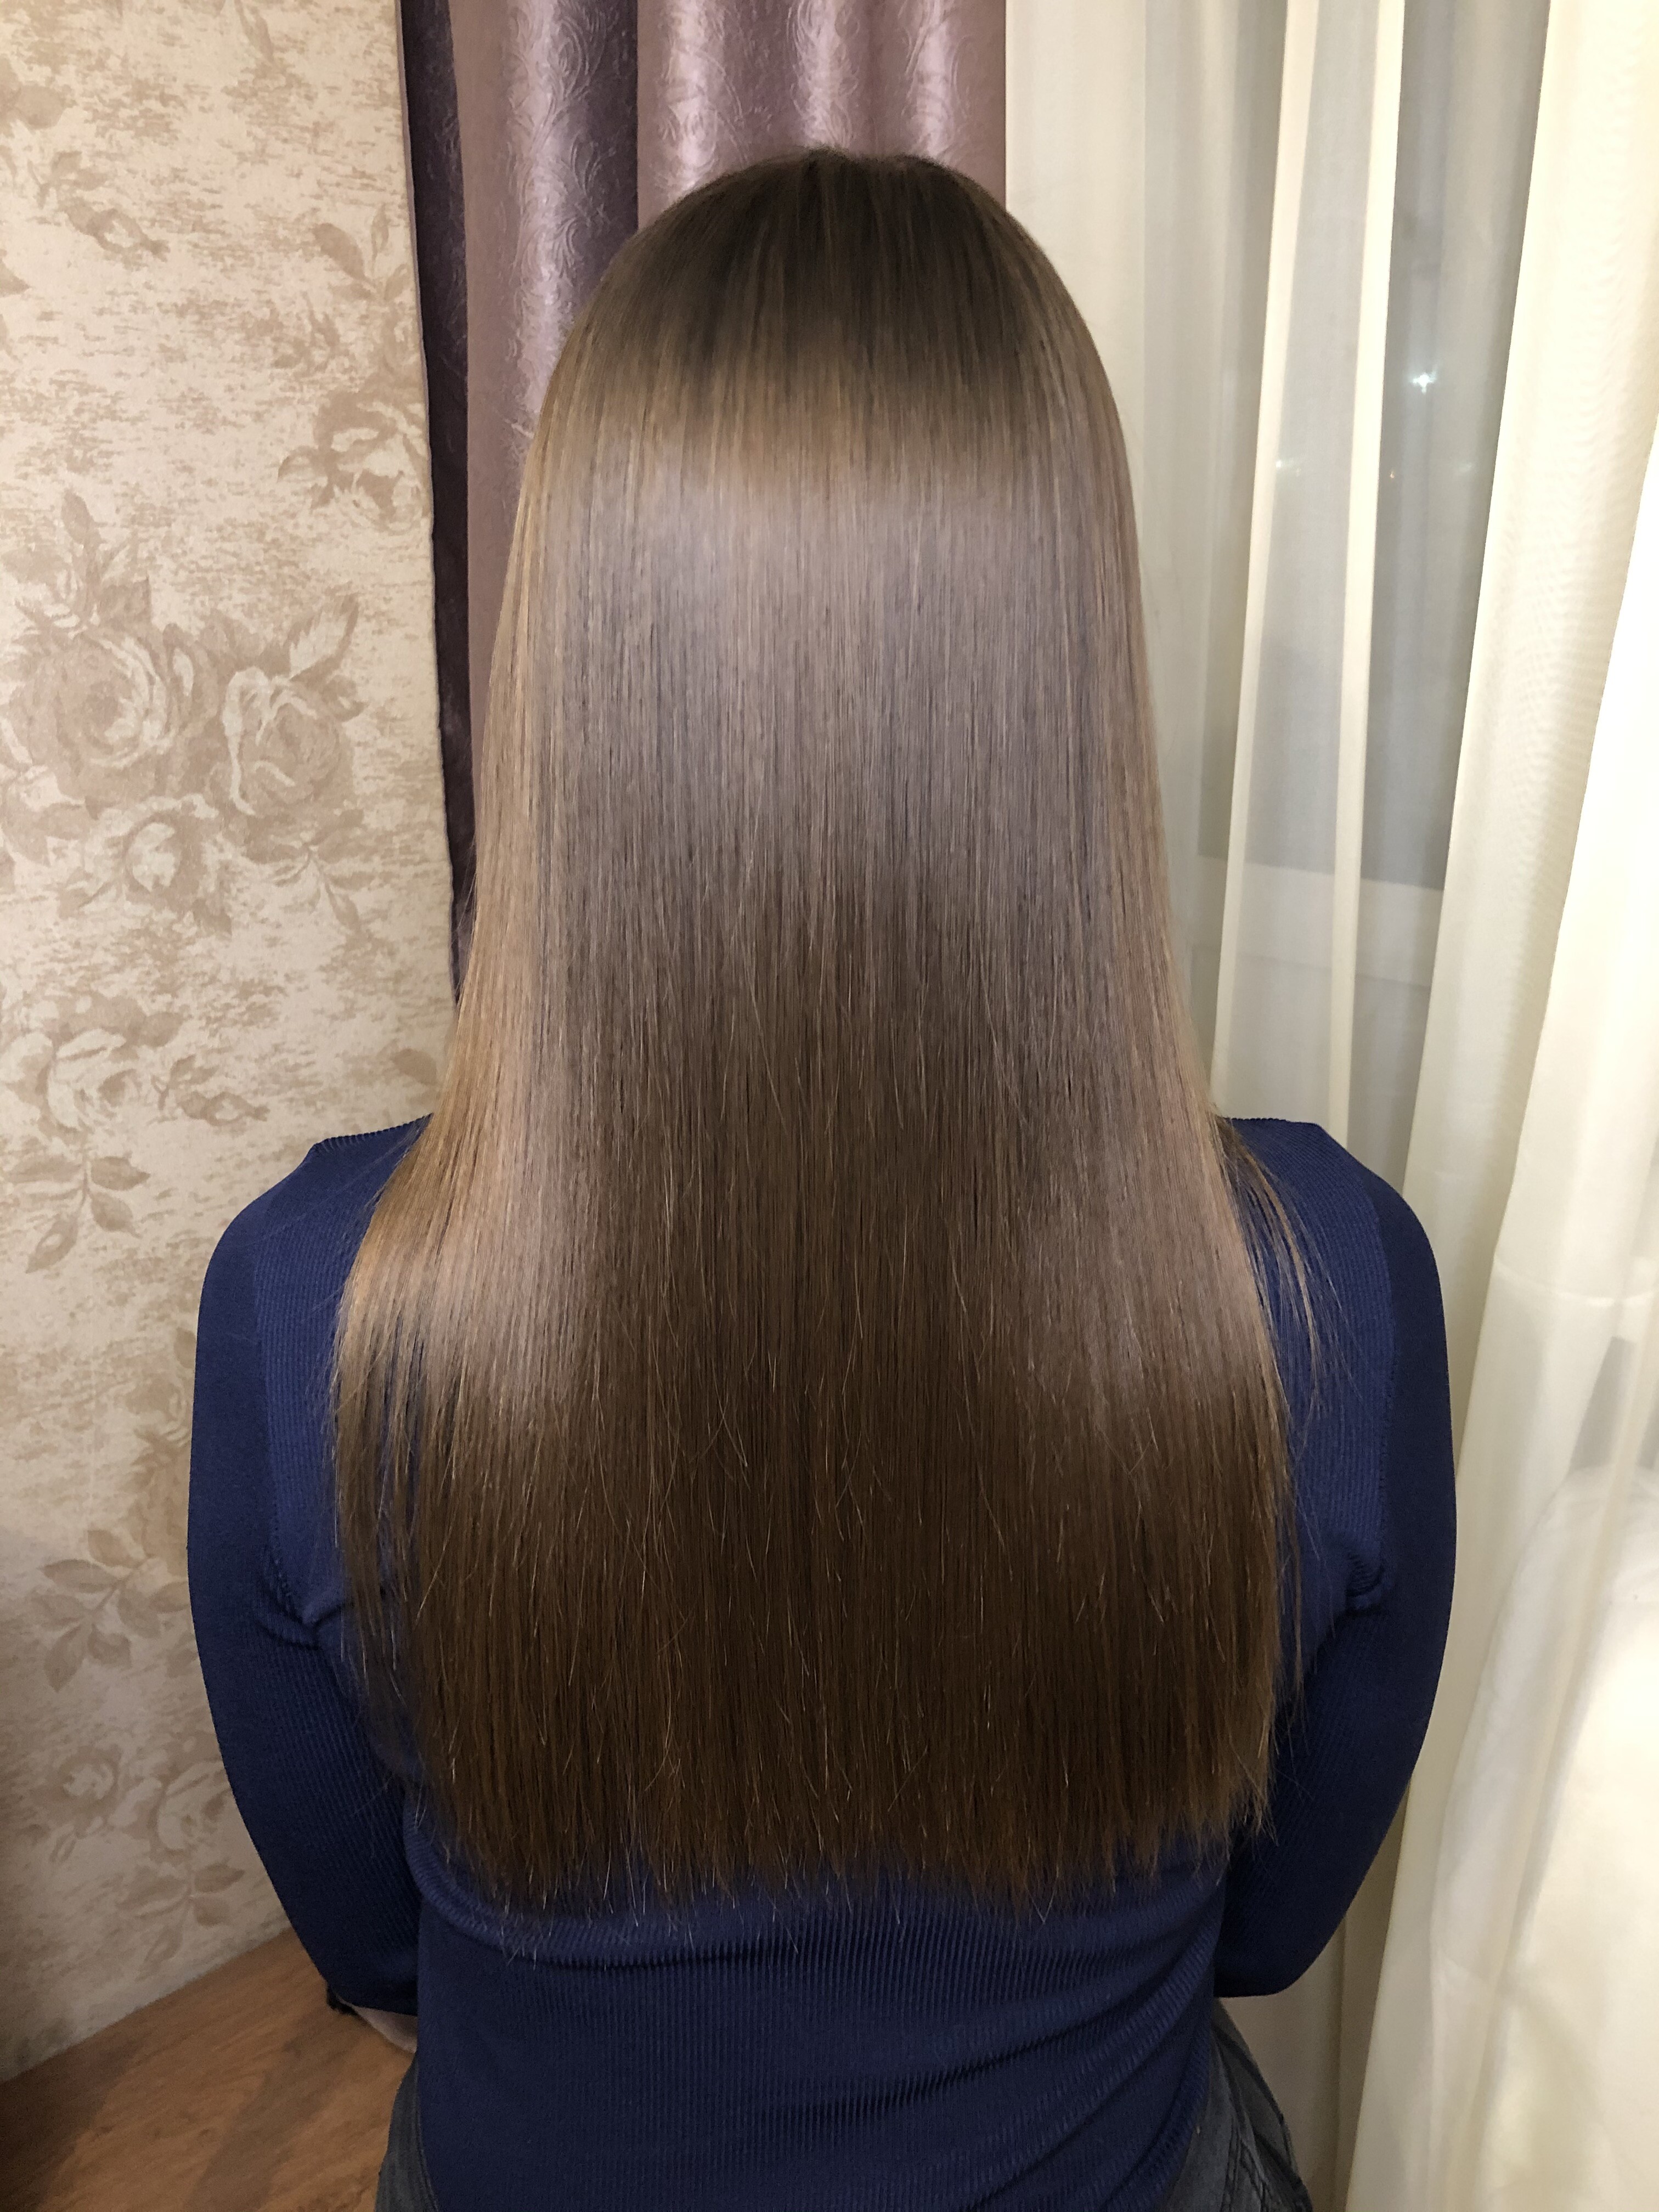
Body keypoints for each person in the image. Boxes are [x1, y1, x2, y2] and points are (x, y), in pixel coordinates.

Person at [188, 150, 1455, 2212]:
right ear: (1069, 663)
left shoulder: (311, 1301)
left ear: (581, 654)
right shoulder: (1328, 1290)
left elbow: (375, 1948)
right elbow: (1270, 1926)